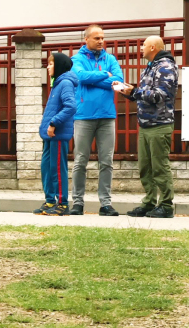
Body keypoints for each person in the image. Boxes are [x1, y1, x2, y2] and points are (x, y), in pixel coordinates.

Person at [115, 36, 178, 218]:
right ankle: (149, 202)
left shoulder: (165, 67)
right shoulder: (151, 67)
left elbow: (160, 95)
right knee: (145, 167)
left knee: (159, 167)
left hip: (160, 124)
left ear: (152, 47)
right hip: (145, 124)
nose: (141, 48)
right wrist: (126, 91)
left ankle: (166, 205)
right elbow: (143, 95)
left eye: (143, 45)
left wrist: (135, 91)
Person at [70, 25, 123, 216]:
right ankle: (77, 203)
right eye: (96, 38)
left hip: (107, 116)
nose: (101, 41)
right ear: (86, 39)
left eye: (102, 38)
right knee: (80, 161)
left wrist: (96, 79)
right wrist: (105, 75)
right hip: (83, 116)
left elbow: (119, 79)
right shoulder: (76, 59)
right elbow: (80, 77)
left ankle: (105, 204)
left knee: (106, 161)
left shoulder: (110, 59)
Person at [33, 53, 78, 216]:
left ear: (59, 66)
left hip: (57, 134)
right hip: (50, 136)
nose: (47, 67)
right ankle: (50, 201)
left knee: (57, 169)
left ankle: (63, 204)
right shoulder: (57, 83)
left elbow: (70, 106)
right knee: (47, 168)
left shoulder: (65, 83)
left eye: (51, 64)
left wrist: (53, 123)